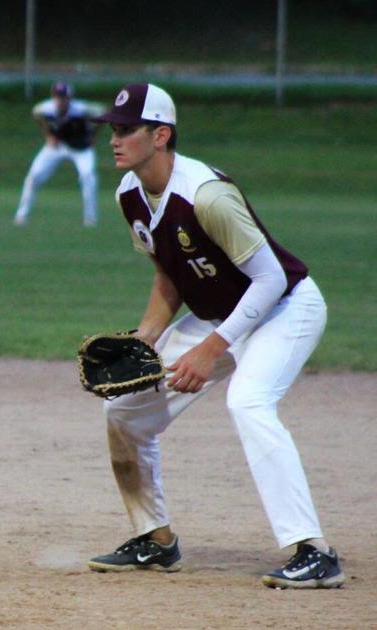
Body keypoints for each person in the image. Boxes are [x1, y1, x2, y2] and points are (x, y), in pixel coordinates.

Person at [85, 83, 343, 589]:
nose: (114, 139)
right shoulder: (129, 196)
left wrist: (211, 348)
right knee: (123, 410)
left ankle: (314, 551)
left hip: (285, 308)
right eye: (112, 129)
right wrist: (146, 339)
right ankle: (155, 540)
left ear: (160, 135)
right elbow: (169, 277)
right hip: (218, 317)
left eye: (126, 129)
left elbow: (269, 279)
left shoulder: (206, 194)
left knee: (249, 402)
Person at [13, 81, 104, 227]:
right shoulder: (46, 108)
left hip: (80, 147)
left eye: (63, 96)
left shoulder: (80, 109)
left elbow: (102, 112)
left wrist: (93, 135)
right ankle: (21, 216)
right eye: (57, 96)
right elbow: (36, 114)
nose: (60, 100)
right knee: (33, 176)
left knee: (88, 176)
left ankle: (90, 219)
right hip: (57, 146)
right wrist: (48, 135)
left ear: (69, 98)